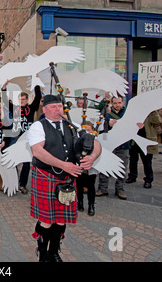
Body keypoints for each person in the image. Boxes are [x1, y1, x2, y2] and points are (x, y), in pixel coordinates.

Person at [27, 95, 102, 262]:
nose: (57, 110)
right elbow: (38, 152)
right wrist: (63, 165)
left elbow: (94, 142)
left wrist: (93, 156)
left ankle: (54, 251)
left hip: (67, 180)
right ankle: (43, 254)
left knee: (61, 220)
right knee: (46, 220)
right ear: (44, 109)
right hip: (46, 177)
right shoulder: (38, 127)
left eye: (60, 106)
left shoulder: (72, 126)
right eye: (53, 107)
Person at [4, 82, 42, 194]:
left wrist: (36, 82)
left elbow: (38, 97)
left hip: (26, 138)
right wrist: (4, 88)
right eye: (20, 99)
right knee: (13, 160)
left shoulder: (31, 108)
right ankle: (14, 182)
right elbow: (5, 102)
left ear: (27, 100)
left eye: (24, 99)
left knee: (26, 162)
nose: (22, 101)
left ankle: (22, 184)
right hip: (15, 137)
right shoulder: (14, 108)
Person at [96, 96, 129, 200]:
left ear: (122, 103)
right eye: (115, 103)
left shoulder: (128, 114)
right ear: (112, 103)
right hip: (109, 144)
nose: (117, 105)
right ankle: (102, 188)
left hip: (123, 144)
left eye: (119, 103)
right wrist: (108, 124)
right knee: (105, 166)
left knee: (123, 167)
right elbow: (99, 127)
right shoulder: (107, 114)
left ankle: (120, 189)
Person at [126, 110, 162, 189]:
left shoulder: (151, 112)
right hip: (134, 140)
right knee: (133, 159)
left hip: (146, 140)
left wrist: (153, 111)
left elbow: (158, 121)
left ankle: (148, 179)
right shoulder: (134, 112)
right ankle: (132, 176)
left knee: (147, 161)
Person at [76, 121, 98, 216]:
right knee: (79, 186)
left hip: (91, 169)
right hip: (80, 167)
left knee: (91, 187)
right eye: (85, 131)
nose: (87, 133)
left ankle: (91, 205)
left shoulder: (96, 141)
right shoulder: (78, 140)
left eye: (89, 130)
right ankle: (80, 202)